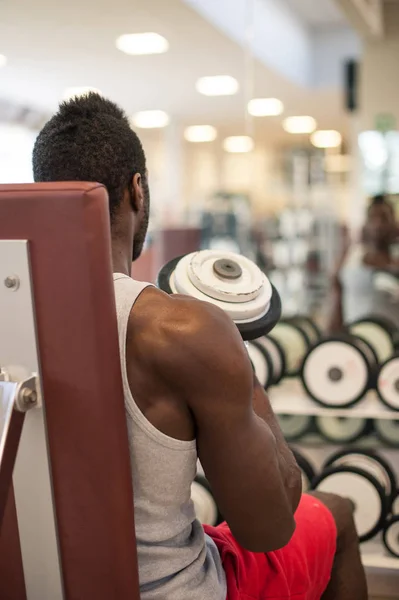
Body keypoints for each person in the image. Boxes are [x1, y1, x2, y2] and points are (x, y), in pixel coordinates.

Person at [32, 94, 367, 600]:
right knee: (336, 510)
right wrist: (233, 349)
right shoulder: (181, 330)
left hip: (41, 583)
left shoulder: (13, 312)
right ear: (137, 191)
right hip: (175, 590)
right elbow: (270, 524)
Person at [328, 194, 399, 333]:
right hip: (357, 341)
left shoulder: (396, 263)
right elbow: (336, 305)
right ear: (365, 223)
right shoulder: (350, 260)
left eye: (384, 218)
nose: (378, 224)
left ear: (394, 225)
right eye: (373, 218)